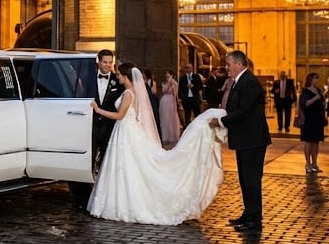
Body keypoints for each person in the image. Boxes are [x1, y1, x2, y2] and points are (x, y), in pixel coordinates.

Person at [86, 62, 225, 225]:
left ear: (125, 76)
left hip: (125, 131)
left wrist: (98, 110)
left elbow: (120, 115)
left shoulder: (128, 94)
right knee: (128, 167)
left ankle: (123, 203)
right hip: (129, 131)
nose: (117, 77)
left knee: (125, 166)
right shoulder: (134, 92)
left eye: (119, 74)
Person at [209, 50, 271, 232]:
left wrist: (220, 121)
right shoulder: (238, 82)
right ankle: (249, 213)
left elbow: (244, 111)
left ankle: (254, 220)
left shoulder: (249, 83)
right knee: (245, 179)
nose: (226, 68)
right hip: (245, 139)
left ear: (239, 64)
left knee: (251, 179)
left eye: (228, 64)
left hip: (252, 140)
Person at [70, 49, 126, 208]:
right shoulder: (86, 79)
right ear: (98, 62)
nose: (108, 65)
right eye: (105, 62)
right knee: (88, 160)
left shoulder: (118, 81)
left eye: (110, 62)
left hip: (110, 128)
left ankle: (106, 197)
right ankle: (84, 199)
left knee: (108, 161)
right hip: (90, 126)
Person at [298, 72, 326, 173]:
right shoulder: (305, 91)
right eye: (315, 78)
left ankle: (315, 162)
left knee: (316, 142)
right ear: (310, 80)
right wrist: (315, 98)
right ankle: (308, 163)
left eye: (317, 78)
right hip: (309, 119)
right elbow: (305, 104)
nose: (317, 80)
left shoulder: (318, 90)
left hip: (318, 119)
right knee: (309, 141)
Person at [159, 69, 182, 146]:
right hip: (164, 101)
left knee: (171, 118)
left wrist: (176, 103)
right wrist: (169, 83)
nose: (166, 75)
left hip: (171, 101)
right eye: (166, 73)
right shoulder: (164, 83)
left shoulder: (175, 83)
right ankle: (165, 137)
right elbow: (164, 90)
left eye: (168, 73)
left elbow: (175, 94)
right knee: (164, 118)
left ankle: (172, 137)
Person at [143, 68, 161, 135]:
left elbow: (154, 91)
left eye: (144, 74)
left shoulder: (152, 82)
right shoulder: (143, 82)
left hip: (152, 100)